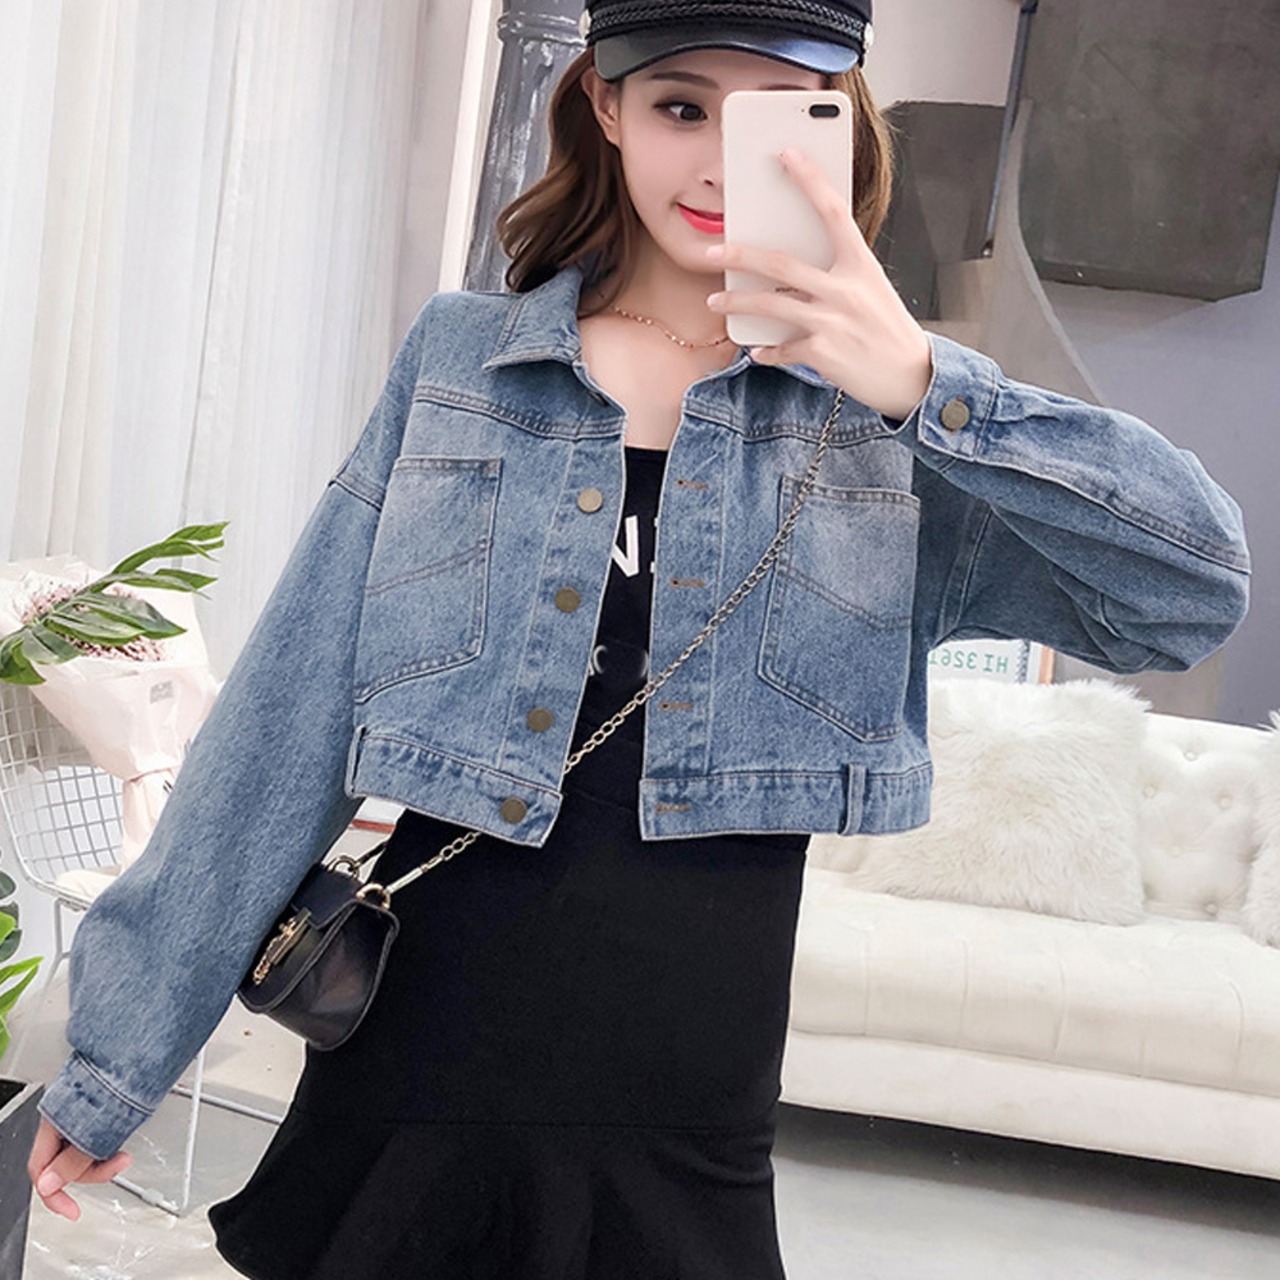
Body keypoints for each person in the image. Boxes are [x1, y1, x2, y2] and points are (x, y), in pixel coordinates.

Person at [28, 1, 1250, 1276]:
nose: (718, 162)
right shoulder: (464, 366)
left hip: (684, 1088)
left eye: (772, 115)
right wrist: (121, 1053)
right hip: (418, 1050)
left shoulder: (882, 431)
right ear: (605, 108)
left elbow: (1186, 590)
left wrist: (923, 382)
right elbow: (291, 704)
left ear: (839, 127)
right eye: (678, 106)